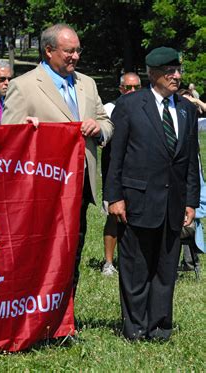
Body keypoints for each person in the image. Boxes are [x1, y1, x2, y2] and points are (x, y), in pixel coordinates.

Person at [2, 24, 114, 296]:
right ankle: (36, 315)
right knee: (42, 255)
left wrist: (99, 129)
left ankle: (67, 313)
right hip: (42, 189)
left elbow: (106, 122)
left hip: (80, 184)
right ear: (49, 50)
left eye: (77, 50)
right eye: (69, 51)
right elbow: (8, 138)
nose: (75, 56)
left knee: (73, 250)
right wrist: (28, 132)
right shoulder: (23, 85)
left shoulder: (87, 83)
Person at [105, 47, 199, 341]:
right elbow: (115, 156)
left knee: (166, 268)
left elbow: (190, 161)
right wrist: (115, 196)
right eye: (170, 71)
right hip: (137, 200)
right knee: (135, 267)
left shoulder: (185, 108)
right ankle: (135, 326)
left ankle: (160, 326)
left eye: (178, 71)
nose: (177, 76)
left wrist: (191, 201)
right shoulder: (131, 105)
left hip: (173, 204)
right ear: (153, 73)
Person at [101, 72, 141, 276]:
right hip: (115, 171)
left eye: (136, 87)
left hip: (139, 173)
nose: (132, 91)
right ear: (121, 89)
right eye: (128, 87)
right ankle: (108, 263)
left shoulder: (146, 109)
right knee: (113, 216)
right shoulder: (108, 109)